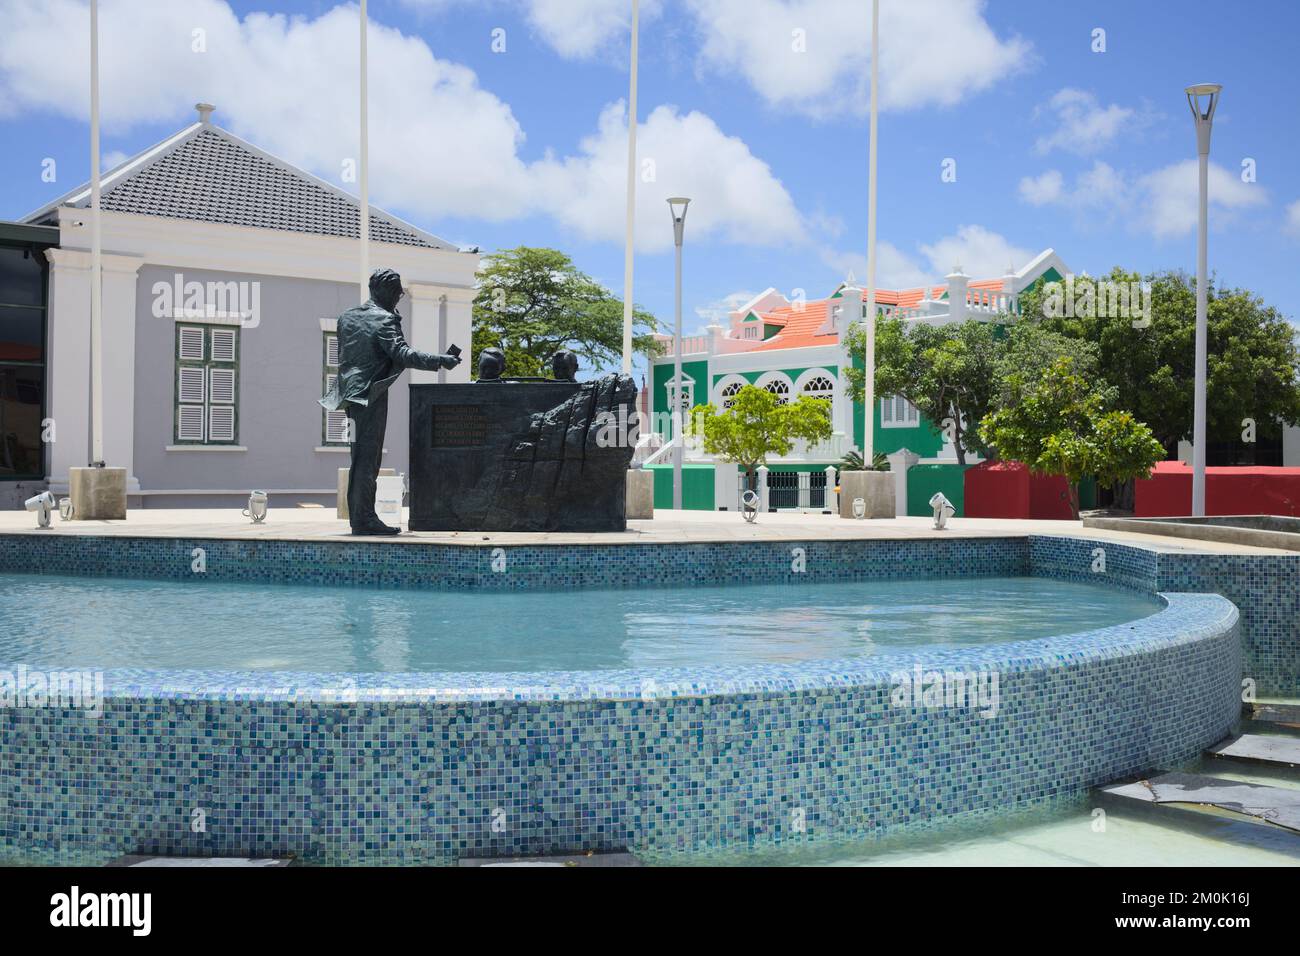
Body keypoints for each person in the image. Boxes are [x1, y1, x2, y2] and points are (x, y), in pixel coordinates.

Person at [320, 268, 461, 535]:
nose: (400, 296)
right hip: (371, 395)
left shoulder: (347, 317)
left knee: (359, 457)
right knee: (368, 459)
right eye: (397, 291)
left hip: (349, 395)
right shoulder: (384, 320)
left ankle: (361, 517)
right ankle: (364, 519)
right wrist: (441, 360)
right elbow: (402, 353)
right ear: (385, 291)